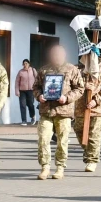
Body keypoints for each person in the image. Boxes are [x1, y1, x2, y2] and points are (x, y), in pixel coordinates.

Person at [33, 44, 84, 180]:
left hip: (63, 111)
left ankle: (60, 167)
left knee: (62, 141)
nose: (56, 57)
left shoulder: (72, 70)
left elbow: (80, 89)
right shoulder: (44, 70)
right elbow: (36, 87)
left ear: (64, 55)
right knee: (43, 138)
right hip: (46, 111)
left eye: (59, 54)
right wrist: (39, 96)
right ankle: (45, 167)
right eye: (54, 54)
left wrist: (67, 98)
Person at [72, 54, 101, 173]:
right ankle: (89, 152)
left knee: (94, 136)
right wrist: (83, 85)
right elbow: (71, 84)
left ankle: (91, 160)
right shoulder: (77, 69)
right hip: (80, 109)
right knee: (79, 132)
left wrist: (96, 100)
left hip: (98, 110)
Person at [14, 59, 36, 125]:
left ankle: (33, 116)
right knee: (22, 105)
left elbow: (37, 79)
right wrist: (17, 91)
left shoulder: (33, 70)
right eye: (24, 63)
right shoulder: (20, 72)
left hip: (31, 90)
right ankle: (24, 120)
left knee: (30, 104)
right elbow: (17, 82)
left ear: (29, 64)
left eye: (26, 63)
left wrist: (36, 89)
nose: (25, 65)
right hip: (22, 91)